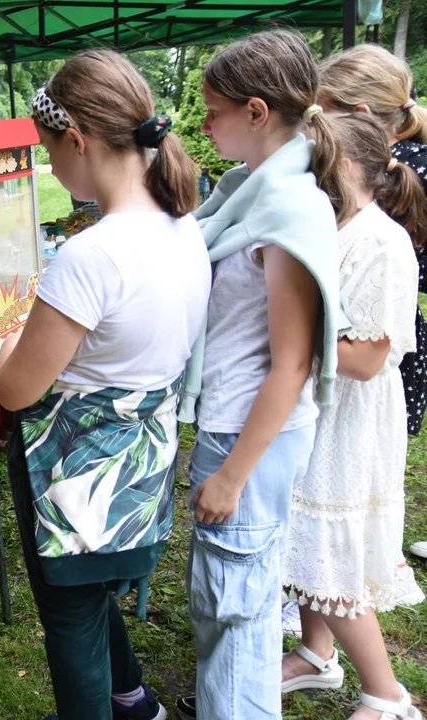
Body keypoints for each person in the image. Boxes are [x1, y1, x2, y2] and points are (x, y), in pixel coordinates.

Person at [0, 49, 211, 720]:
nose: (50, 167)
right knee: (92, 597)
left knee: (71, 622)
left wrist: (4, 345)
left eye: (49, 151)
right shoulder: (184, 230)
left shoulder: (90, 256)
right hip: (140, 473)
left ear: (79, 140)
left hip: (76, 478)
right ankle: (133, 698)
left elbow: (17, 390)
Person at [174, 30, 353, 720]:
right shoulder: (249, 192)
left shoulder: (285, 213)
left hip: (249, 440)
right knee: (228, 608)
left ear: (255, 112)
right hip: (238, 430)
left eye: (212, 109)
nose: (203, 122)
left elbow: (294, 363)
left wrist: (231, 475)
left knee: (238, 620)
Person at [281, 112, 425, 720]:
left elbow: (367, 360)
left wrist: (286, 337)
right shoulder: (333, 225)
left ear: (337, 167)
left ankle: (387, 695)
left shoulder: (381, 242)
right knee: (304, 538)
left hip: (352, 416)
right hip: (321, 404)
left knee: (331, 548)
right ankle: (317, 655)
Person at [317, 46, 427, 564]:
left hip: (364, 351)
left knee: (343, 515)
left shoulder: (374, 195)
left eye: (319, 112)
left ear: (356, 117)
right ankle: (317, 634)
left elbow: (367, 351)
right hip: (350, 353)